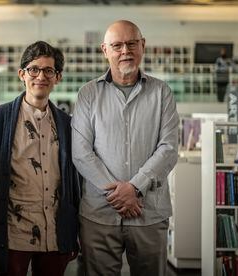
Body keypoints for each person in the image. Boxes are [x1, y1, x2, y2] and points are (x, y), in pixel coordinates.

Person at [71, 20, 179, 276]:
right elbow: (81, 153)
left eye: (131, 44)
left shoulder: (162, 93)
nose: (125, 51)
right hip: (99, 216)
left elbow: (169, 149)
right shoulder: (88, 94)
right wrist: (119, 195)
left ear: (142, 46)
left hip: (149, 213)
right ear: (104, 50)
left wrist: (135, 188)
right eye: (117, 45)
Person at [0, 41, 80, 276]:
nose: (41, 76)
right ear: (22, 74)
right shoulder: (0, 117)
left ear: (57, 77)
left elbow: (74, 178)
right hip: (11, 232)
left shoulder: (66, 124)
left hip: (54, 232)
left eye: (48, 70)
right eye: (34, 69)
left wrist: (72, 230)